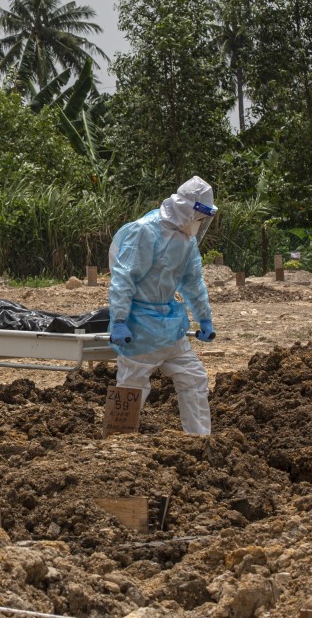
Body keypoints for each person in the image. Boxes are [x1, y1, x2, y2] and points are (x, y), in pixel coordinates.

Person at [108, 176, 218, 435]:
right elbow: (124, 278)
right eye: (199, 216)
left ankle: (200, 440)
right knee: (132, 387)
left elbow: (193, 282)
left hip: (169, 325)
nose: (200, 223)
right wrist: (120, 320)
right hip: (140, 326)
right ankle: (115, 445)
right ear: (185, 208)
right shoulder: (145, 231)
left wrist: (204, 318)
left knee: (194, 378)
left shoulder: (187, 240)